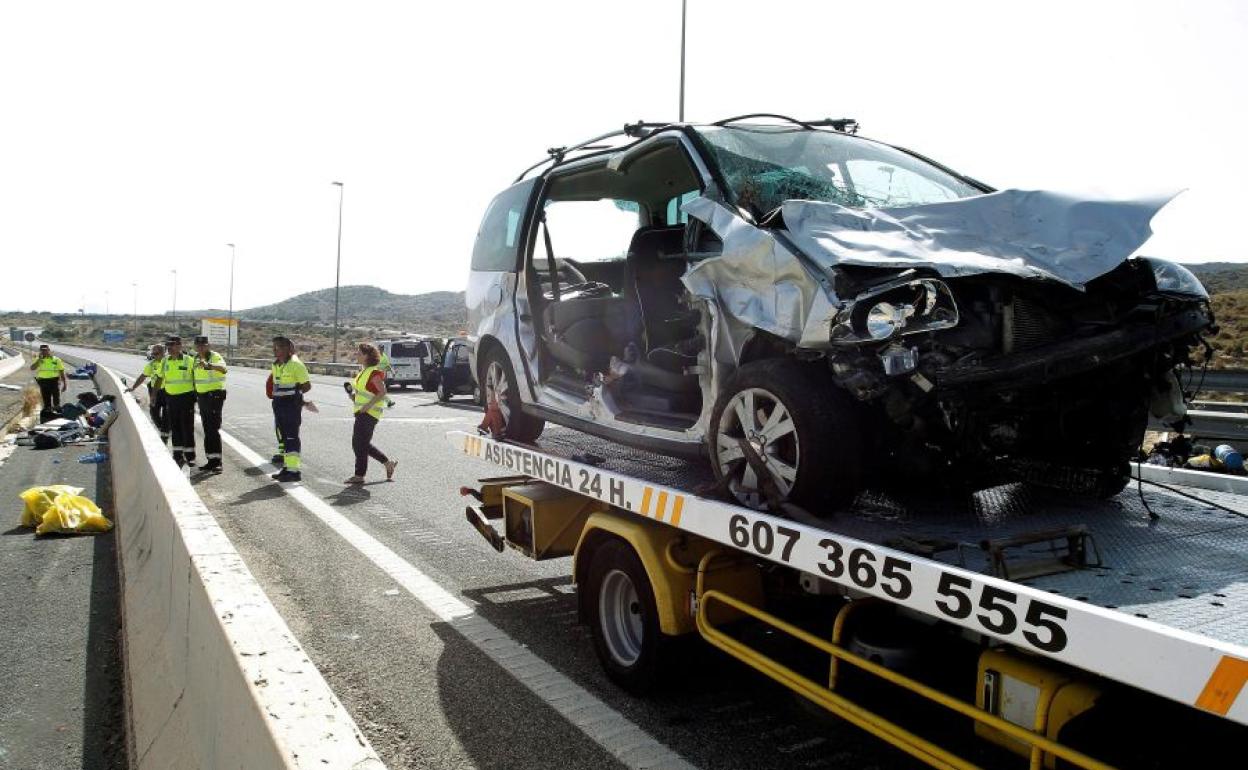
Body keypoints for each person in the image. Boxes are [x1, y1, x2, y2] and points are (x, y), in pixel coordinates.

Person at [345, 343, 397, 484]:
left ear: (367, 356)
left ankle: (359, 475)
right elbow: (365, 393)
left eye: (359, 353)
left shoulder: (373, 372)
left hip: (369, 414)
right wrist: (352, 396)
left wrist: (367, 407)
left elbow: (382, 392)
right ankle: (387, 463)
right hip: (362, 412)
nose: (357, 355)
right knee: (361, 444)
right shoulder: (363, 372)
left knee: (359, 443)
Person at [270, 336, 311, 482]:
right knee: (285, 440)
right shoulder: (276, 365)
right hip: (279, 406)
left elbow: (306, 386)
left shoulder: (296, 365)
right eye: (274, 346)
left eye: (279, 347)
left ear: (289, 349)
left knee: (292, 438)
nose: (275, 350)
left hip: (291, 407)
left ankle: (294, 471)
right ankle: (287, 468)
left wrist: (295, 395)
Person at [193, 335, 228, 473]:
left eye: (204, 345)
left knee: (213, 429)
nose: (201, 347)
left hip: (214, 396)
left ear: (208, 345)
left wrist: (209, 365)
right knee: (207, 429)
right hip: (202, 397)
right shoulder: (195, 358)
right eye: (198, 345)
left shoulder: (214, 356)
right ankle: (211, 460)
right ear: (195, 346)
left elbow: (223, 369)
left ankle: (217, 462)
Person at [161, 335, 198, 468]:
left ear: (179, 346)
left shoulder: (190, 360)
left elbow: (196, 378)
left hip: (186, 398)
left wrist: (197, 396)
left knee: (187, 428)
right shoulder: (165, 361)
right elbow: (160, 378)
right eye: (168, 345)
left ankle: (190, 456)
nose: (169, 348)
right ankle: (177, 455)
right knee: (175, 428)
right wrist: (154, 395)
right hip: (171, 398)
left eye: (171, 345)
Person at [125, 343, 169, 444]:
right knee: (154, 413)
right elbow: (143, 376)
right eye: (153, 354)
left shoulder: (168, 362)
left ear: (163, 353)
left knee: (167, 415)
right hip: (155, 391)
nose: (154, 356)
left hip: (168, 392)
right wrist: (133, 387)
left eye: (157, 353)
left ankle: (164, 436)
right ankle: (164, 430)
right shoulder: (152, 364)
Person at [29, 344, 67, 412]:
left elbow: (62, 371)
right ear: (40, 351)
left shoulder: (56, 359)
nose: (44, 352)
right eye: (42, 350)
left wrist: (65, 384)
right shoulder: (38, 359)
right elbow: (32, 368)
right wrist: (39, 360)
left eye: (45, 350)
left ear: (49, 350)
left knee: (56, 398)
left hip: (54, 381)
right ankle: (48, 412)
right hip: (43, 382)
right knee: (46, 399)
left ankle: (57, 411)